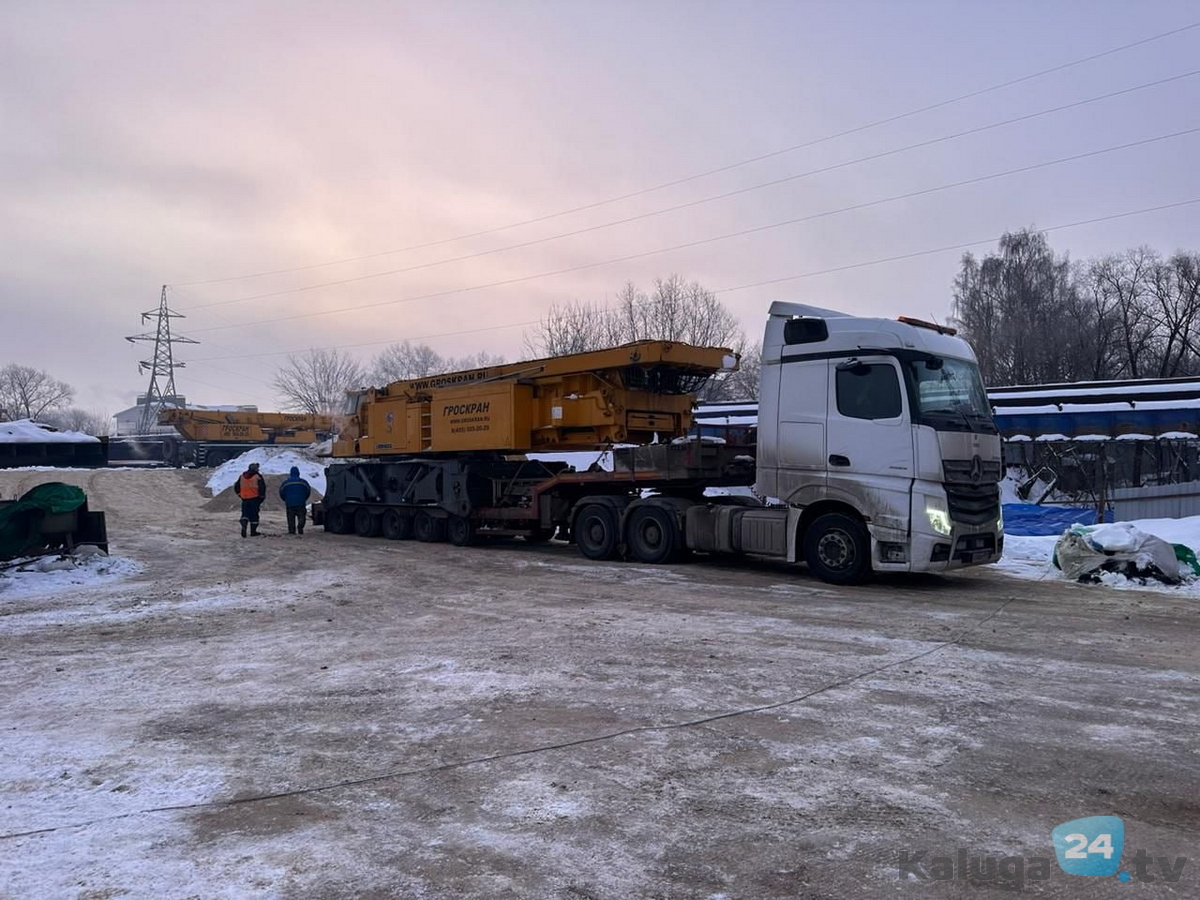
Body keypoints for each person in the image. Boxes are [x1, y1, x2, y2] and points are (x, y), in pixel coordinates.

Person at [235, 462, 267, 537]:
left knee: (245, 513)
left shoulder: (242, 476)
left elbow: (236, 487)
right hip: (255, 499)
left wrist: (240, 494)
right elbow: (262, 488)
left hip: (244, 499)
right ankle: (253, 532)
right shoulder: (258, 477)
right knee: (254, 515)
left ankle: (244, 521)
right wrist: (262, 497)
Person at [278, 465, 313, 535]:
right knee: (301, 516)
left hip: (290, 503)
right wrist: (304, 498)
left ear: (290, 473)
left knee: (291, 518)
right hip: (301, 503)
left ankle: (292, 531)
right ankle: (300, 526)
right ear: (298, 473)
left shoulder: (286, 483)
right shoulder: (303, 482)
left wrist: (285, 499)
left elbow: (281, 492)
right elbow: (308, 491)